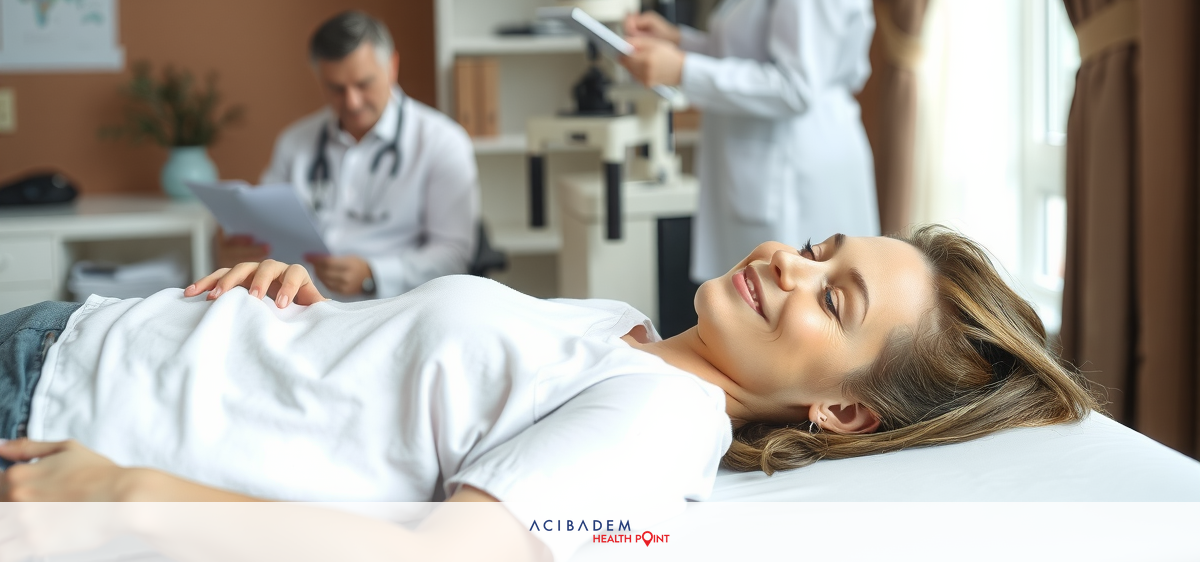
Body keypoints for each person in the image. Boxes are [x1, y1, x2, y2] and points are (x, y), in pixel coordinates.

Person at [0, 226, 1098, 560]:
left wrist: (126, 493)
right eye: (819, 246)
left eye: (834, 296)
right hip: (88, 341)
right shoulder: (622, 333)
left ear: (844, 409)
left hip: (51, 419)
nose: (789, 264)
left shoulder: (662, 426)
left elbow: (440, 555)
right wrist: (294, 308)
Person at [621, 0, 879, 282]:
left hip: (797, 172)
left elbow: (794, 87)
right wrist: (677, 39)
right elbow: (742, 52)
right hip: (761, 166)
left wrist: (681, 68)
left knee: (788, 309)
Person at [220, 10, 479, 298]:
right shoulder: (294, 142)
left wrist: (374, 275)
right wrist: (245, 248)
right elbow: (266, 227)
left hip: (393, 305)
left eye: (364, 84)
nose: (352, 102)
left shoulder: (442, 142)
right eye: (336, 89)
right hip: (297, 305)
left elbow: (454, 256)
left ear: (392, 66)